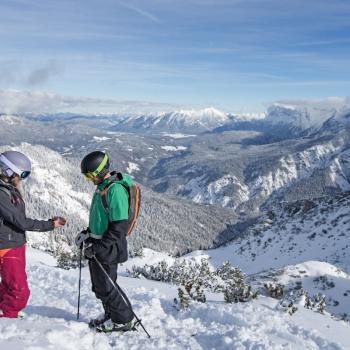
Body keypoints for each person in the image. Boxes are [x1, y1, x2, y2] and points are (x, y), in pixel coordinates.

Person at [0, 150, 66, 318]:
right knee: (19, 290)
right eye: (21, 174)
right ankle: (8, 316)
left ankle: (4, 309)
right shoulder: (1, 193)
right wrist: (50, 224)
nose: (21, 179)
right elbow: (20, 221)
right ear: (8, 171)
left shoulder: (8, 189)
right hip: (7, 246)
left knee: (9, 285)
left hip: (15, 243)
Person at [77, 151, 135, 332]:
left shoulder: (115, 190)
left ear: (101, 171)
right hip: (99, 245)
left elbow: (119, 229)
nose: (89, 179)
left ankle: (123, 320)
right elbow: (101, 219)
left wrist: (97, 246)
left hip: (108, 248)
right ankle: (111, 313)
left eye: (90, 175)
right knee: (100, 286)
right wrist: (88, 233)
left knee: (107, 287)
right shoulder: (102, 187)